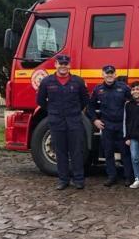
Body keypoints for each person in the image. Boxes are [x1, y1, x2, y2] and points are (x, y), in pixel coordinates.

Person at [36, 54, 89, 190]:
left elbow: (85, 100)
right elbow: (41, 101)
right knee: (60, 151)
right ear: (55, 65)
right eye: (61, 63)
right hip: (56, 121)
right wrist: (53, 111)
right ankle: (63, 180)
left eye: (66, 64)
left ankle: (78, 179)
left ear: (69, 65)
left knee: (76, 151)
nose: (63, 66)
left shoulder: (77, 81)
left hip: (74, 121)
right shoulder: (47, 82)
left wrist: (76, 111)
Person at [87, 64, 132, 187]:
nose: (110, 75)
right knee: (108, 152)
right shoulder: (98, 89)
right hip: (106, 125)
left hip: (121, 125)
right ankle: (112, 176)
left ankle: (128, 177)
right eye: (107, 73)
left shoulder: (124, 88)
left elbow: (133, 103)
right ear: (103, 75)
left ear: (115, 74)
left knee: (125, 152)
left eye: (112, 72)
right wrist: (95, 120)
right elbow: (90, 106)